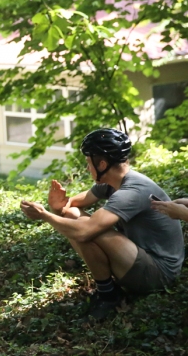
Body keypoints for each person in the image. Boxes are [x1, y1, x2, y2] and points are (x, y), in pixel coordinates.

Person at [20, 128, 184, 321]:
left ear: (102, 164)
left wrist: (44, 215)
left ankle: (108, 296)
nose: (88, 169)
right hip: (139, 256)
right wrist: (59, 206)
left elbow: (85, 232)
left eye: (89, 164)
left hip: (158, 272)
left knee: (87, 230)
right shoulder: (113, 182)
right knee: (74, 216)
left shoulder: (132, 191)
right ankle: (107, 291)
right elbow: (74, 205)